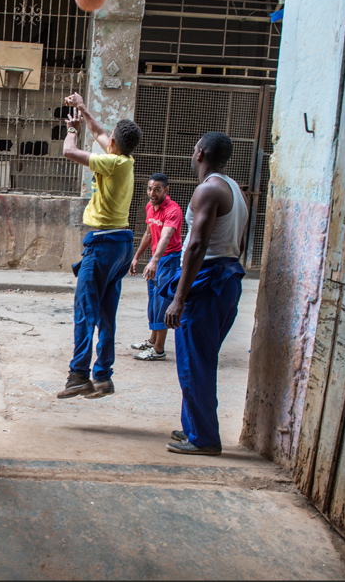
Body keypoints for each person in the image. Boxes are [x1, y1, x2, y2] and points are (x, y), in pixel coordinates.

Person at [161, 132, 248, 455]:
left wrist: (179, 298)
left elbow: (197, 245)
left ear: (199, 153)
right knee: (199, 358)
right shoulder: (234, 188)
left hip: (207, 281)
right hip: (227, 277)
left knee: (195, 360)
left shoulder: (208, 189)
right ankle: (193, 426)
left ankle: (204, 438)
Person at [56, 92, 142, 400]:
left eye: (111, 138)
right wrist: (82, 108)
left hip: (102, 243)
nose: (107, 139)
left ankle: (79, 374)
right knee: (106, 312)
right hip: (121, 244)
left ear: (115, 145)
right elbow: (99, 132)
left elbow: (69, 151)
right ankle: (103, 376)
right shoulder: (126, 160)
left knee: (86, 311)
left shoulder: (110, 163)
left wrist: (70, 129)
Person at [129, 173, 183, 361]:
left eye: (157, 189)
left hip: (168, 259)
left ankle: (159, 350)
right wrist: (137, 257)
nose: (152, 193)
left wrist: (155, 261)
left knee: (162, 303)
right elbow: (149, 234)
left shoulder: (173, 210)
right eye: (150, 188)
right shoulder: (150, 207)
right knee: (153, 299)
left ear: (166, 190)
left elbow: (166, 237)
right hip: (156, 258)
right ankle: (152, 341)